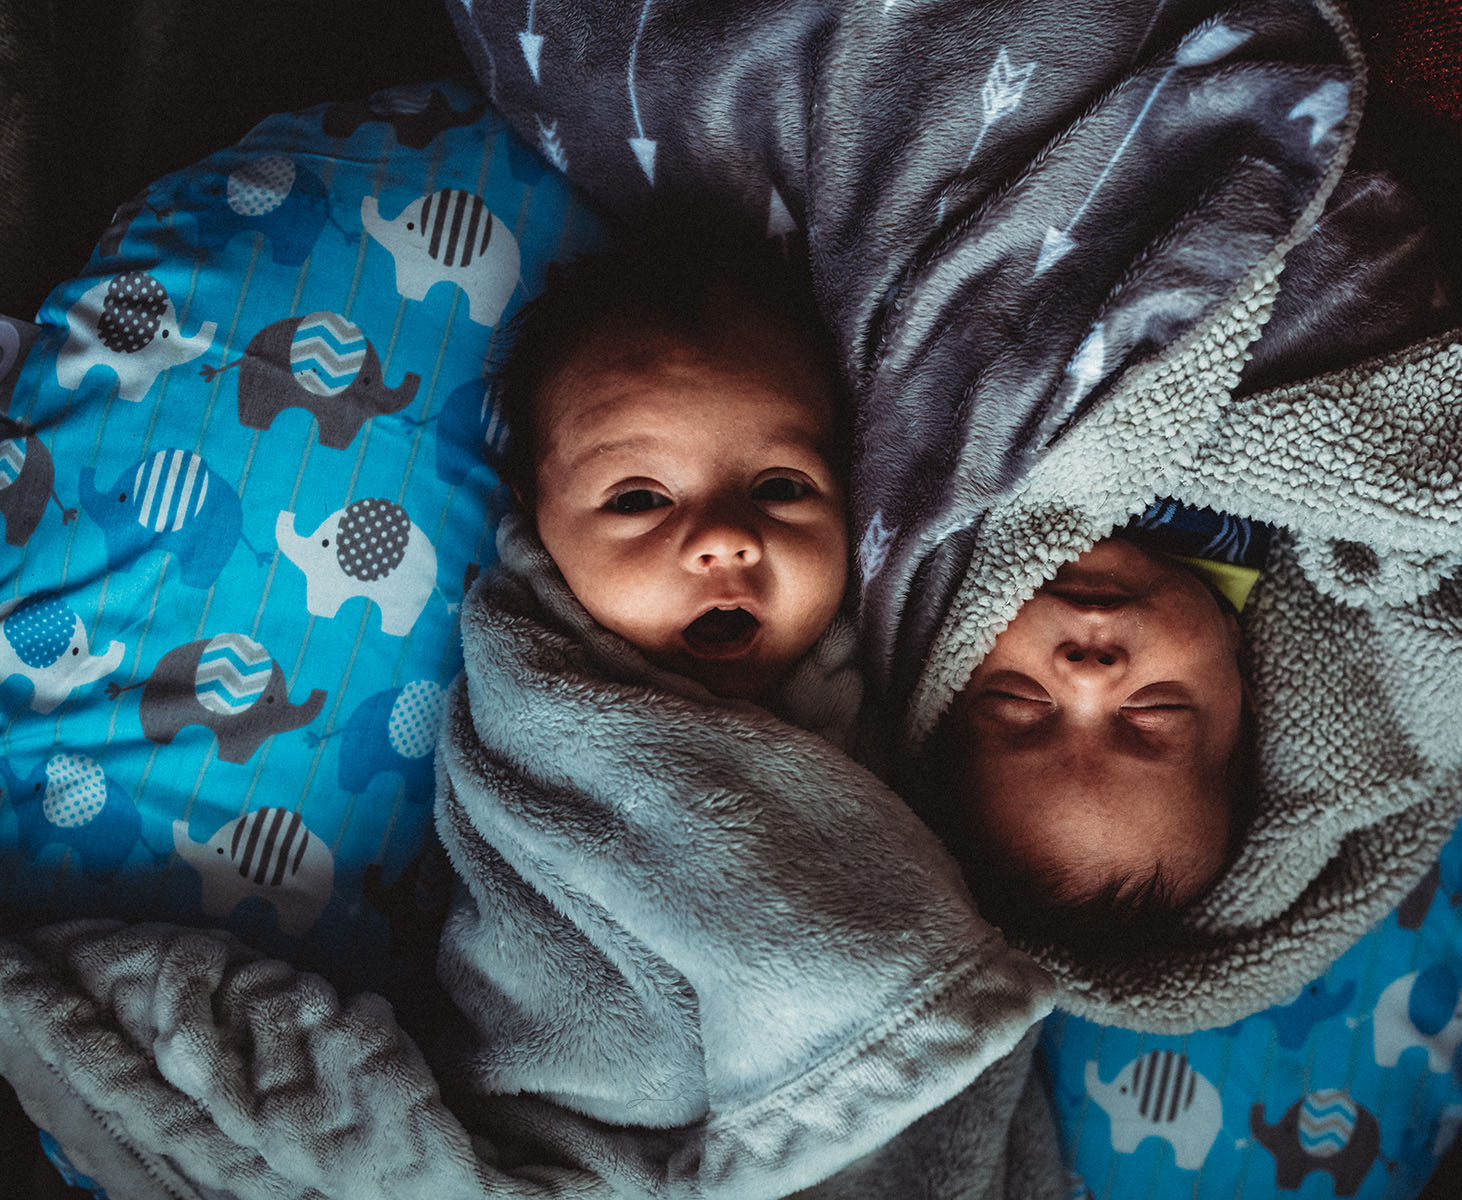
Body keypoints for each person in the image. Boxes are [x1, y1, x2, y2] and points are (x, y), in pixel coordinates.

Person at [490, 238, 852, 709]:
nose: (723, 539)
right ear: (535, 514)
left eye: (780, 488)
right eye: (638, 500)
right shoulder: (531, 688)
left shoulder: (897, 664)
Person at [941, 504, 1266, 947]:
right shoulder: (1253, 507)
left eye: (1018, 700)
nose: (1089, 676)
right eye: (1157, 707)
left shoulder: (944, 532)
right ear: (1240, 678)